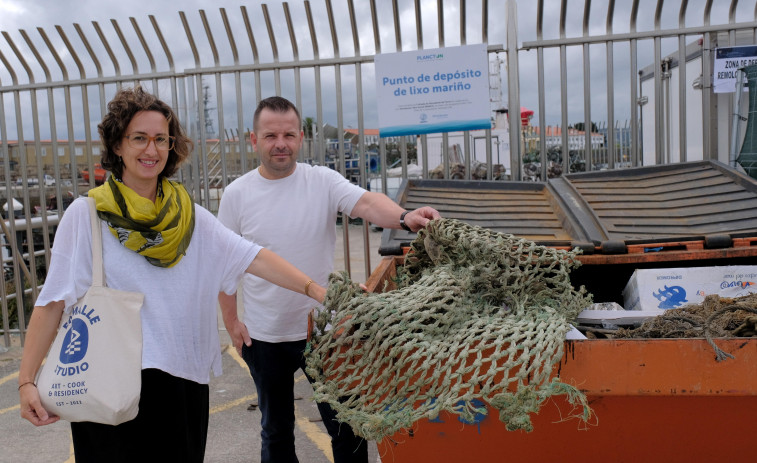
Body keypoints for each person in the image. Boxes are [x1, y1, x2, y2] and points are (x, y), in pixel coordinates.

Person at [18, 87, 327, 463]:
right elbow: (52, 302)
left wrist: (316, 290)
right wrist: (26, 381)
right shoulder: (86, 217)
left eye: (161, 139)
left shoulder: (191, 218)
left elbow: (255, 258)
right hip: (106, 380)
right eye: (139, 138)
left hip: (179, 384)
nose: (151, 150)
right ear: (117, 145)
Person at [217, 96, 441, 463]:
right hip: (266, 334)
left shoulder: (321, 180)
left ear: (301, 137)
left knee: (347, 429)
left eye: (289, 134)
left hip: (327, 331)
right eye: (270, 135)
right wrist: (231, 321)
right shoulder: (237, 195)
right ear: (253, 140)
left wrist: (405, 217)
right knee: (276, 432)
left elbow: (367, 203)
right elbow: (224, 263)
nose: (281, 143)